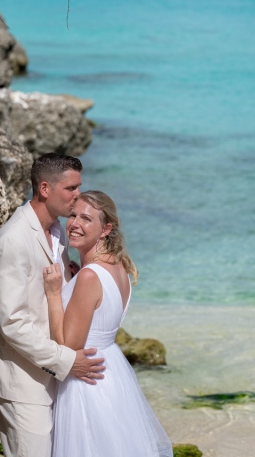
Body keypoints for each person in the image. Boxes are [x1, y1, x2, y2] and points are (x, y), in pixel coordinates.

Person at [0, 154, 106, 457]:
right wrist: (67, 360)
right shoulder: (13, 241)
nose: (78, 196)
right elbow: (12, 324)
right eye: (71, 189)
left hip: (50, 379)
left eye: (79, 187)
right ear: (45, 189)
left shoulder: (57, 231)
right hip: (20, 382)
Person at [42, 190, 173, 457]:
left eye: (87, 219)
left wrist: (55, 293)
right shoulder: (118, 269)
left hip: (86, 380)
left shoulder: (90, 276)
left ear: (106, 229)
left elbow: (68, 345)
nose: (75, 224)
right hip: (111, 374)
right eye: (73, 215)